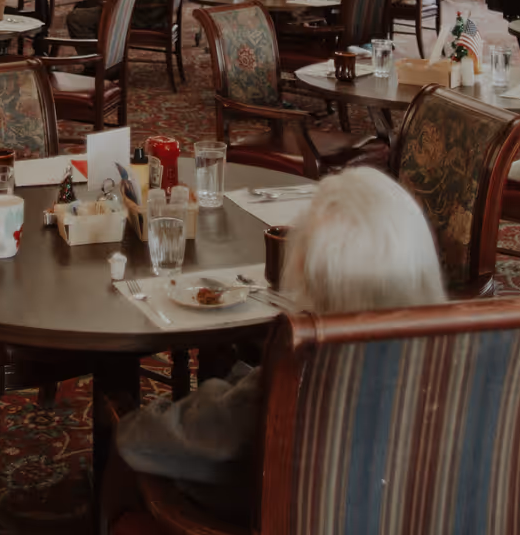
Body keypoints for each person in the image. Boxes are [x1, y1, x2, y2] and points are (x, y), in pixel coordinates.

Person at [113, 169, 446, 519]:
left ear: (307, 271)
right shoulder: (463, 371)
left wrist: (213, 395)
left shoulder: (296, 379)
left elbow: (139, 441)